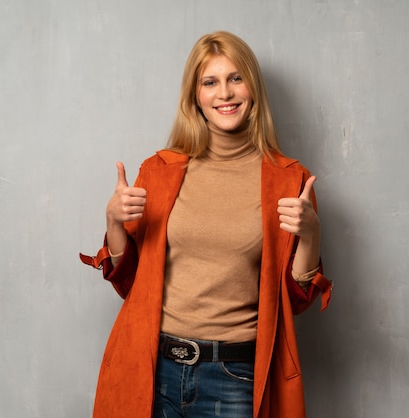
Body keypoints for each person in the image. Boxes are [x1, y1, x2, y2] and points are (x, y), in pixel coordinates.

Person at [80, 31, 333, 418]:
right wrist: (114, 222)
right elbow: (130, 284)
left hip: (234, 378)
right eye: (210, 82)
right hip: (154, 368)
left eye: (235, 78)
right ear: (195, 95)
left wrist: (311, 234)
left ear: (253, 88)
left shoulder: (289, 181)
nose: (225, 93)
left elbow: (295, 301)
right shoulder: (159, 170)